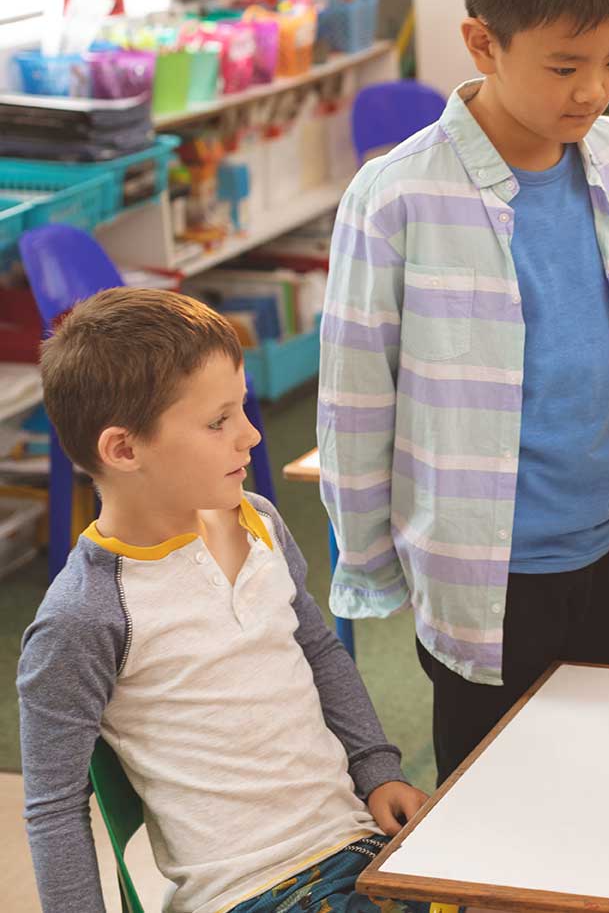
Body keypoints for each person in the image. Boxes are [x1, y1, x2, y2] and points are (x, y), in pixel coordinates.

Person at [318, 0, 609, 783]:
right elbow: (354, 396)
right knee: (493, 796)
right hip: (483, 557)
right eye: (566, 66)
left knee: (607, 771)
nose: (594, 90)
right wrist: (370, 555)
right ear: (482, 42)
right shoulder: (398, 196)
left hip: (602, 528)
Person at [19, 289, 430, 913]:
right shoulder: (85, 615)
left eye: (241, 409)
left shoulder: (260, 521)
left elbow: (317, 650)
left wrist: (376, 767)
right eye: (219, 421)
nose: (252, 434)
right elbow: (53, 806)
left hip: (356, 845)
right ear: (124, 450)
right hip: (254, 891)